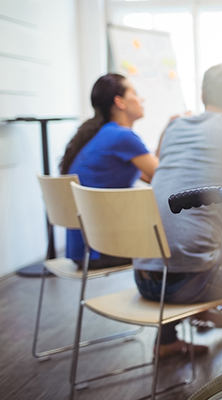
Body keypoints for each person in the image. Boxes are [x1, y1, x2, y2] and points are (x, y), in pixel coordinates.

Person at [133, 63, 222, 360]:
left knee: (200, 252)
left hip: (144, 277)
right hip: (189, 283)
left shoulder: (175, 127)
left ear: (203, 93)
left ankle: (166, 339)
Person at [59, 73, 158, 269]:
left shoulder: (104, 134)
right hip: (102, 249)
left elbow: (150, 175)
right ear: (119, 102)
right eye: (135, 93)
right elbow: (164, 175)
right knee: (176, 244)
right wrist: (171, 129)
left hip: (82, 250)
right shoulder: (122, 137)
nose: (141, 99)